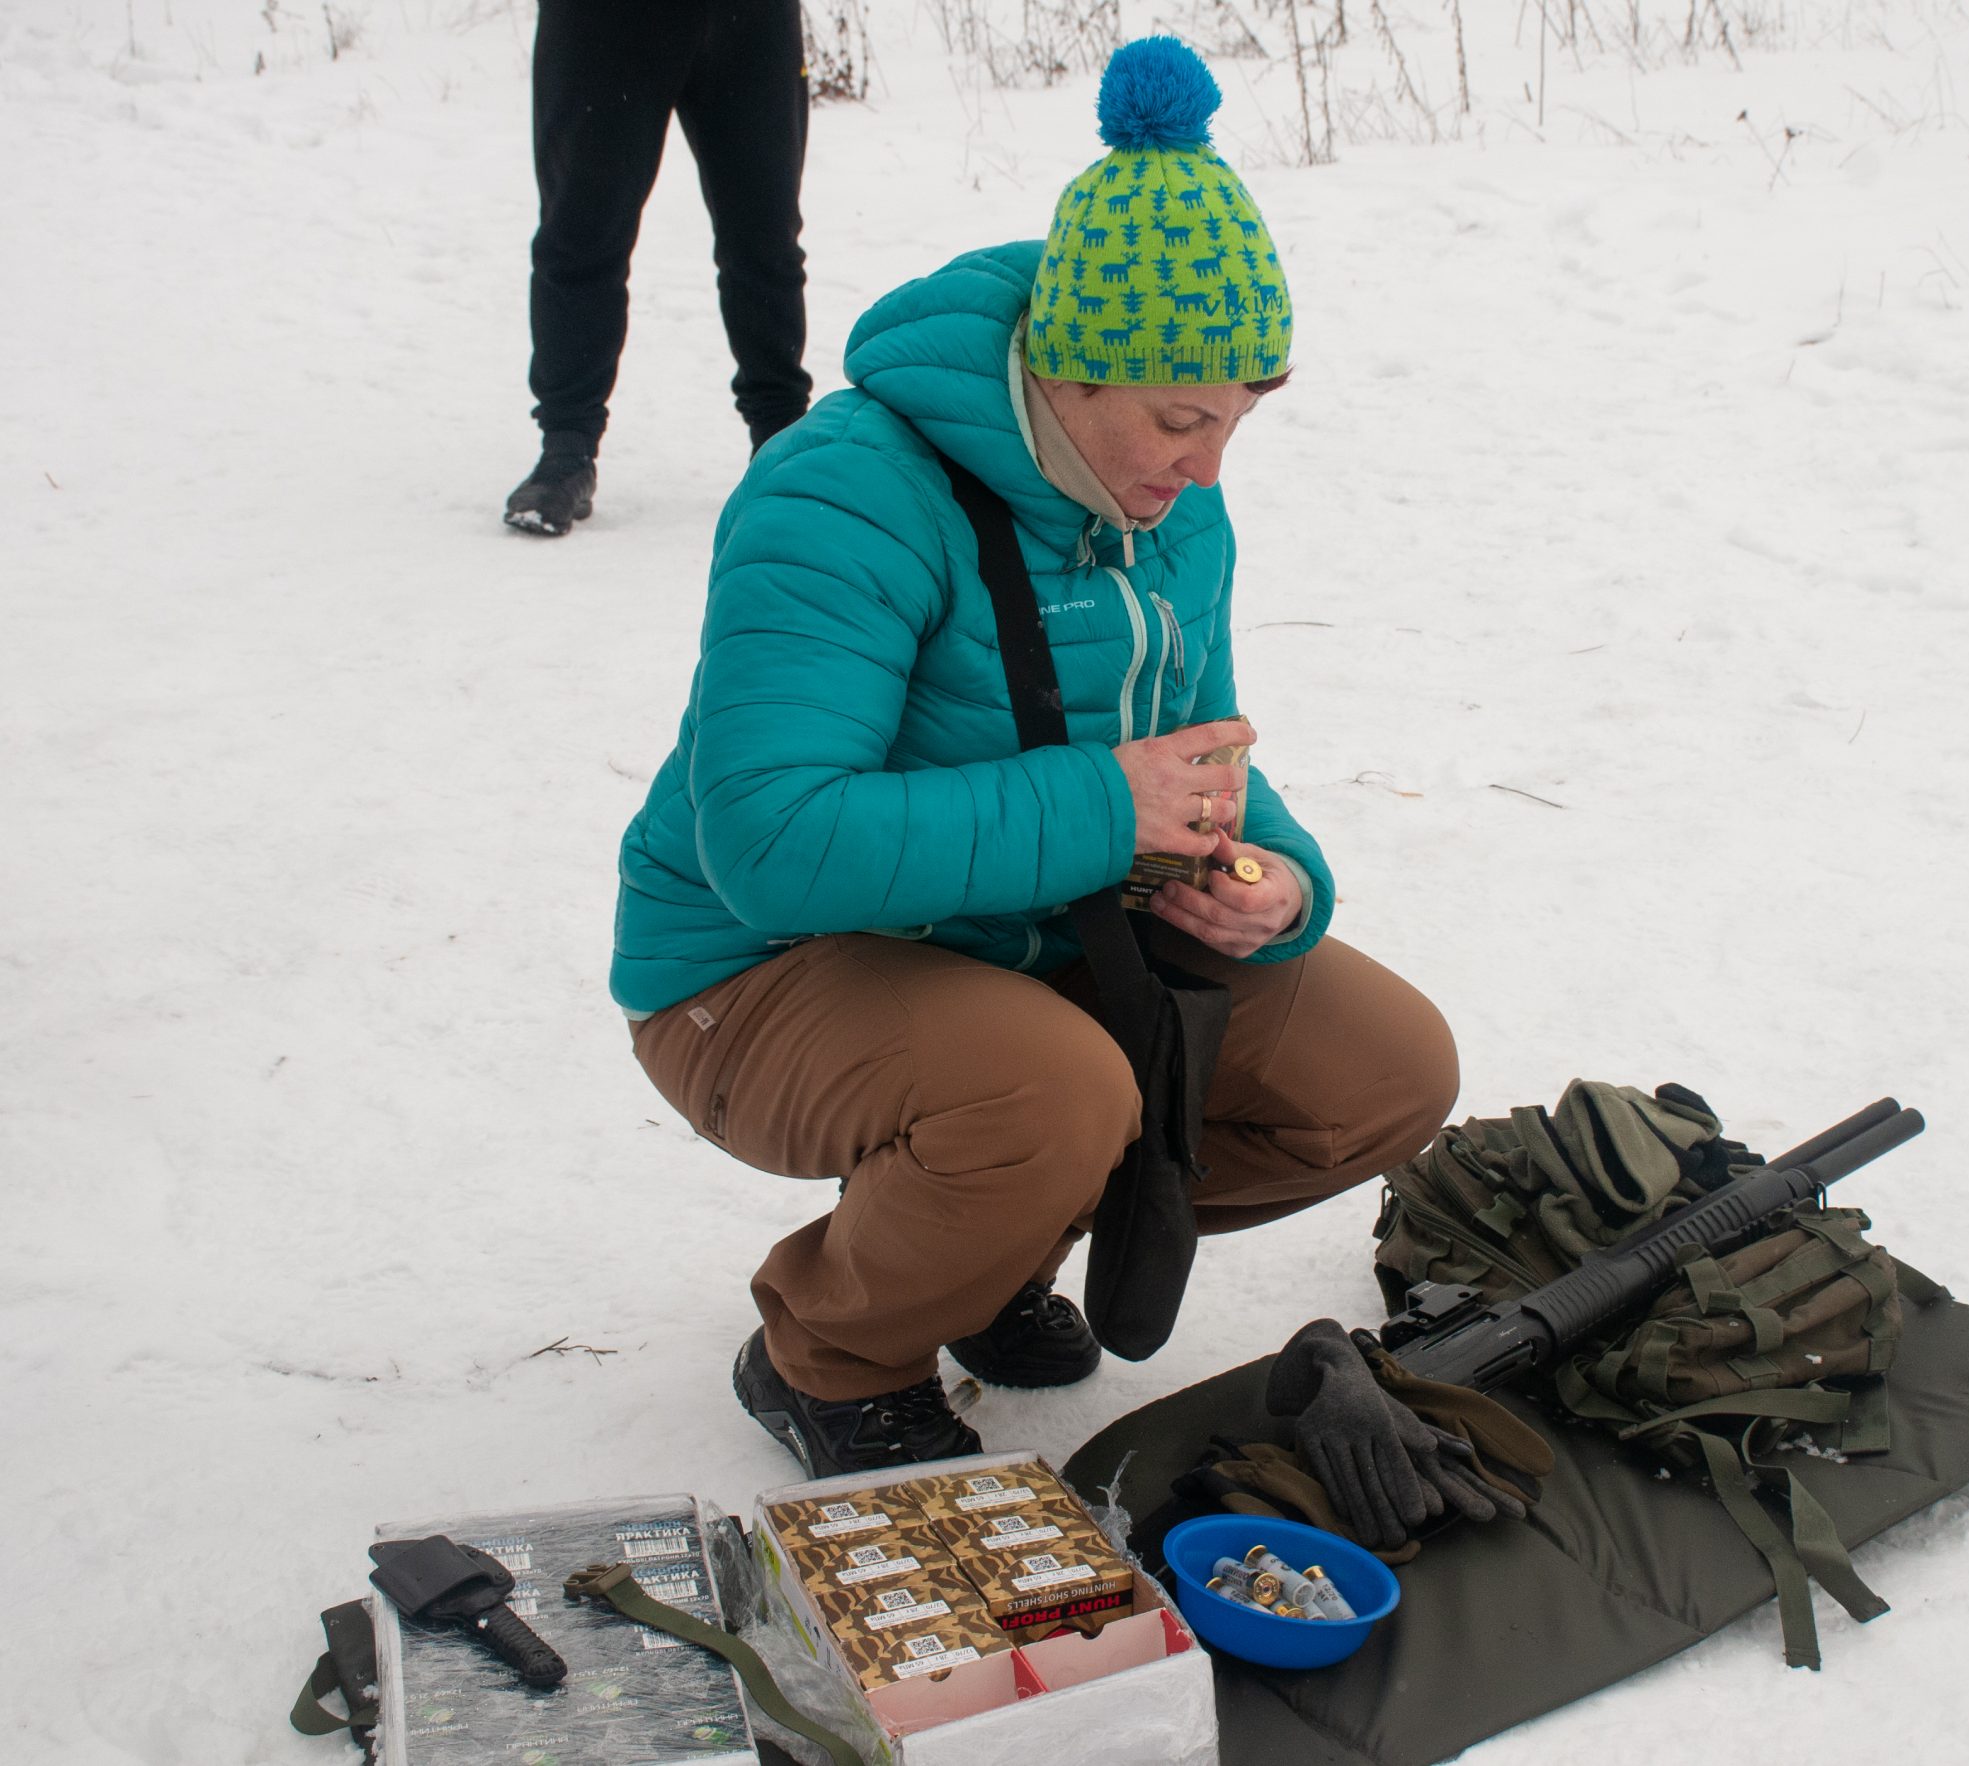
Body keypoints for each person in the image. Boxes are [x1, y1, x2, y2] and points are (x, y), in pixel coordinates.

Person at [611, 38, 1459, 1476]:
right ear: (1072, 371)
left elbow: (1209, 747)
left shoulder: (1169, 506)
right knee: (1053, 1091)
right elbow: (764, 836)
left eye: (1236, 426)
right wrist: (1099, 807)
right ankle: (829, 1351)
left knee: (1386, 1071)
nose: (1206, 472)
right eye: (1183, 421)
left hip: (1025, 936)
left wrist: (1274, 879)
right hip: (752, 969)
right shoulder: (847, 492)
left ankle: (989, 1243)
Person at [505, 0, 816, 536]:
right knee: (581, 234)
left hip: (750, 19)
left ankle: (781, 439)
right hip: (602, 23)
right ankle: (566, 451)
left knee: (765, 238)